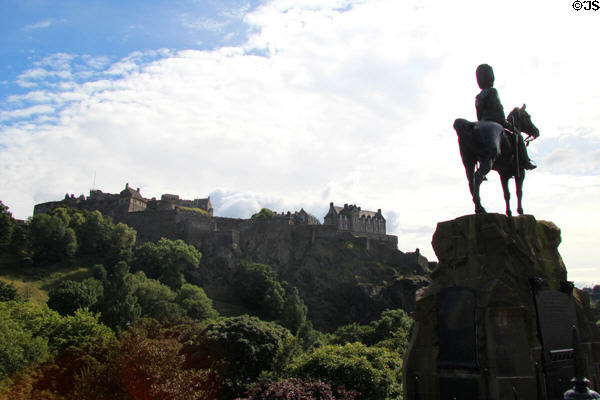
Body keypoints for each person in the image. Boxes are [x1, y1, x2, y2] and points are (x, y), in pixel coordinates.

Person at [475, 64, 536, 170]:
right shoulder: (493, 91)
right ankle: (526, 161)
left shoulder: (478, 97)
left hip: (482, 122)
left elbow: (479, 115)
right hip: (497, 120)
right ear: (491, 77)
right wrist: (504, 121)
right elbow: (498, 108)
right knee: (518, 135)